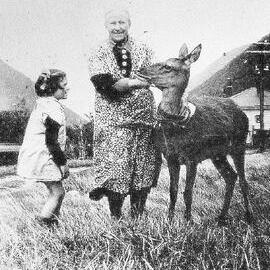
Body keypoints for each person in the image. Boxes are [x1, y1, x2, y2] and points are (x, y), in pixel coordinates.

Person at [88, 9, 161, 219]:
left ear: (129, 24)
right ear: (106, 26)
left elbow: (155, 76)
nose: (117, 27)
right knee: (116, 167)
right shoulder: (98, 52)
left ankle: (138, 217)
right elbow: (105, 85)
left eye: (121, 22)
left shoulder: (144, 49)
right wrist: (137, 82)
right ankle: (117, 218)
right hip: (113, 121)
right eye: (113, 23)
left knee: (143, 167)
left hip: (144, 119)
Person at [17, 69, 69, 227]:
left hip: (36, 155)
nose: (67, 89)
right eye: (64, 86)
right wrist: (63, 163)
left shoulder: (42, 103)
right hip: (45, 157)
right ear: (53, 89)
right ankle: (43, 224)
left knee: (57, 192)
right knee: (57, 192)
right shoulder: (53, 109)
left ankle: (52, 224)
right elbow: (52, 141)